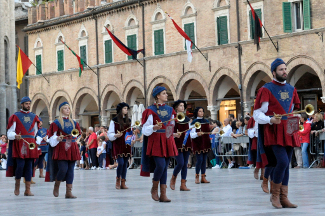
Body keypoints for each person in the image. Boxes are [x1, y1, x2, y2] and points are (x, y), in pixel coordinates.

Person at [253, 58, 300, 208]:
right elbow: (257, 114)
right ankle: (275, 196)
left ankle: (284, 197)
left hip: (289, 129)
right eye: (281, 69)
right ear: (273, 72)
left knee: (287, 165)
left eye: (285, 69)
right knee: (282, 162)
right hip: (273, 130)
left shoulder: (292, 89)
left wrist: (296, 116)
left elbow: (291, 110)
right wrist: (270, 119)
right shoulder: (266, 89)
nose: (284, 71)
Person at [141, 86, 178, 202]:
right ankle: (154, 187)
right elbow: (145, 129)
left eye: (166, 93)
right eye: (163, 93)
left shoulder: (170, 110)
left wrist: (172, 134)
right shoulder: (150, 110)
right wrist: (154, 127)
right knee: (161, 165)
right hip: (156, 139)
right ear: (157, 96)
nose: (166, 95)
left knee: (165, 167)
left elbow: (171, 125)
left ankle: (163, 194)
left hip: (167, 139)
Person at [46, 102, 81, 198]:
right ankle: (57, 184)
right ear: (61, 110)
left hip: (72, 147)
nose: (67, 110)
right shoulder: (56, 123)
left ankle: (68, 192)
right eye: (65, 108)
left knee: (70, 170)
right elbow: (51, 137)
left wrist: (76, 139)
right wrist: (57, 138)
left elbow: (79, 134)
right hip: (61, 147)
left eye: (68, 108)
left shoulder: (74, 123)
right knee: (63, 169)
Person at [6, 96, 40, 196]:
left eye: (29, 104)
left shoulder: (34, 116)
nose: (28, 105)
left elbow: (35, 132)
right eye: (26, 104)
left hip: (30, 144)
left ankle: (27, 190)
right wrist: (15, 136)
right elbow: (10, 132)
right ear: (22, 104)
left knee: (29, 166)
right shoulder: (15, 116)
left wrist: (34, 141)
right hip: (19, 143)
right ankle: (17, 186)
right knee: (20, 166)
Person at [108, 102, 132, 189]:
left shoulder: (128, 121)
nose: (126, 110)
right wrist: (115, 135)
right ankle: (118, 180)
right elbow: (110, 133)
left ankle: (123, 182)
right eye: (125, 108)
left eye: (127, 108)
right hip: (118, 144)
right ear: (120, 109)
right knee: (120, 163)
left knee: (125, 163)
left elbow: (130, 132)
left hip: (126, 144)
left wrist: (131, 139)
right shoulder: (114, 120)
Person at [170, 100, 192, 191]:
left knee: (185, 164)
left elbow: (190, 130)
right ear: (176, 107)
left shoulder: (187, 119)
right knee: (180, 162)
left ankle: (183, 184)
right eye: (180, 106)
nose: (182, 107)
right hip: (177, 143)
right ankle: (173, 177)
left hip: (186, 142)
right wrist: (175, 134)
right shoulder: (173, 118)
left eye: (183, 106)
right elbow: (169, 130)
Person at [190, 107, 211, 184]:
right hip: (198, 142)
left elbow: (208, 132)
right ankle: (197, 176)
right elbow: (191, 134)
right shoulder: (194, 122)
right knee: (199, 160)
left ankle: (203, 177)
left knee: (204, 160)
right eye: (200, 111)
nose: (201, 113)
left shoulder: (206, 121)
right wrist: (197, 134)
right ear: (197, 112)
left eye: (202, 111)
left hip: (205, 142)